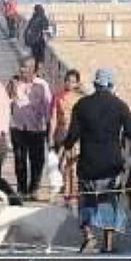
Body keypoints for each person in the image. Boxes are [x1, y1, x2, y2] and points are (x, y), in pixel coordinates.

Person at [61, 68, 131, 253]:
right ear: (111, 85)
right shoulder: (120, 105)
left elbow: (72, 135)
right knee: (109, 201)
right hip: (111, 164)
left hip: (88, 162)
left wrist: (64, 147)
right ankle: (108, 244)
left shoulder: (81, 105)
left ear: (95, 85)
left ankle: (88, 236)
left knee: (86, 200)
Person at [8, 55, 53, 199]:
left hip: (36, 128)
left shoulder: (42, 85)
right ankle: (22, 190)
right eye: (21, 67)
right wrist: (12, 89)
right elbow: (6, 102)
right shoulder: (14, 83)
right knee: (20, 160)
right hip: (18, 127)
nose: (23, 70)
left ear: (34, 69)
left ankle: (34, 188)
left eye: (26, 67)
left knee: (37, 160)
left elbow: (48, 107)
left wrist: (49, 129)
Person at [51, 69, 86, 206]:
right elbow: (54, 117)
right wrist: (51, 135)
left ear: (77, 83)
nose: (70, 83)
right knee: (63, 164)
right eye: (68, 80)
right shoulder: (58, 96)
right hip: (62, 133)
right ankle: (67, 190)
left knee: (74, 164)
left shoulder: (81, 98)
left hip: (76, 135)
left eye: (73, 81)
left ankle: (74, 193)